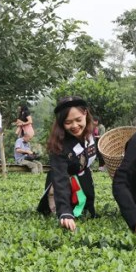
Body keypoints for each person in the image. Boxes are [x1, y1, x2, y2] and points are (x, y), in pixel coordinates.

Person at [36, 96, 97, 231]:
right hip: (61, 184)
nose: (75, 126)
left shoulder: (90, 135)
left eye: (78, 120)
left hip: (83, 178)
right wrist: (65, 212)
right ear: (61, 122)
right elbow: (60, 178)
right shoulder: (58, 144)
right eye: (68, 122)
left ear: (85, 114)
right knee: (65, 213)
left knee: (88, 214)